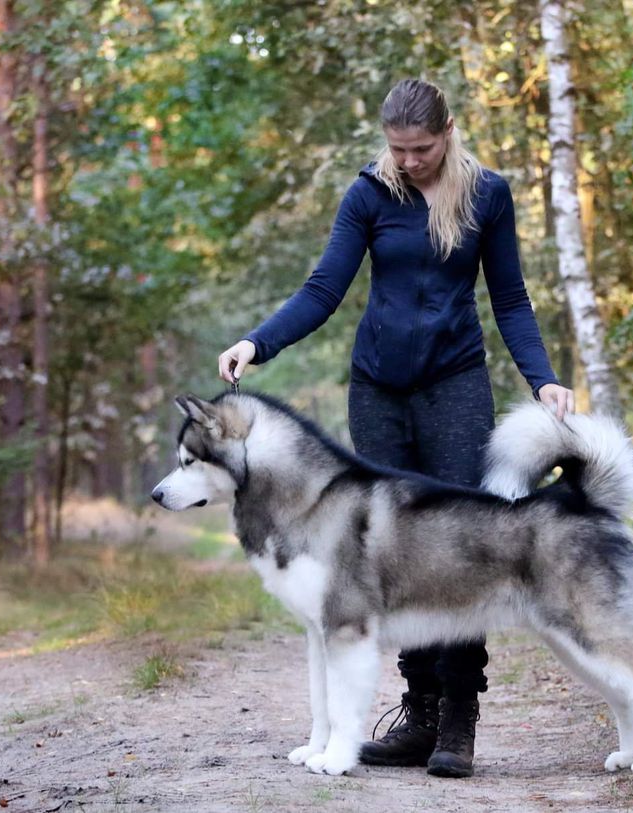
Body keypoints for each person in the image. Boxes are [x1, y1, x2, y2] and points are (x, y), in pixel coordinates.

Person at [217, 78, 575, 778]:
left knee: (460, 546)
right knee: (390, 548)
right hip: (378, 390)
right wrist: (258, 343)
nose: (408, 160)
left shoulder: (487, 196)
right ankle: (419, 711)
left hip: (455, 386)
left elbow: (510, 298)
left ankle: (460, 716)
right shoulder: (370, 194)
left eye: (420, 148)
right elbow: (325, 288)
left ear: (448, 132)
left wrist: (544, 378)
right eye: (396, 148)